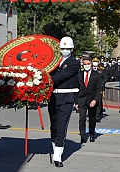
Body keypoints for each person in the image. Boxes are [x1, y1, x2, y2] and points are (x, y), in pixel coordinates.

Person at [48, 36, 80, 168]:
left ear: (72, 49)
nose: (65, 50)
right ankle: (55, 143)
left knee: (62, 125)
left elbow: (62, 76)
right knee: (54, 124)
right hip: (53, 97)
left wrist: (45, 79)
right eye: (62, 48)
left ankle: (57, 155)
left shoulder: (74, 63)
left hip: (67, 97)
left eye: (67, 48)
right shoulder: (54, 61)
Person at [75, 56, 102, 143]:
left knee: (92, 118)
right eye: (85, 64)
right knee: (82, 118)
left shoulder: (96, 75)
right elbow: (76, 89)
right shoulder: (79, 75)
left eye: (88, 64)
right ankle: (82, 136)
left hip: (92, 100)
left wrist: (95, 100)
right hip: (82, 100)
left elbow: (98, 89)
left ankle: (91, 134)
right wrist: (76, 102)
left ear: (91, 64)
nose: (86, 65)